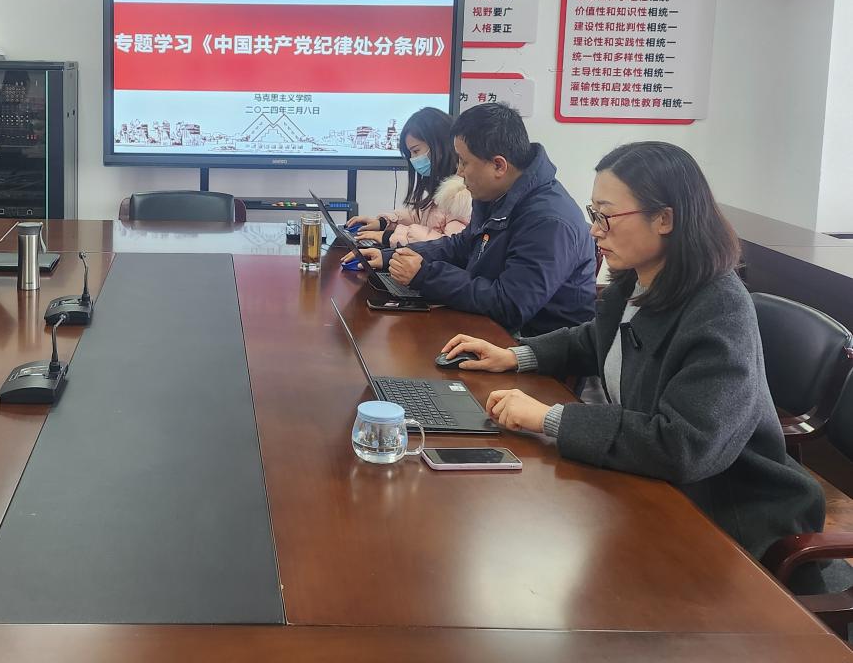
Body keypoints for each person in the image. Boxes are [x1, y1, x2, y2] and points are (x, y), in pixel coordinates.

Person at [439, 141, 839, 587]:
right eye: (594, 214)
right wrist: (516, 355)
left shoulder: (719, 308)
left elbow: (684, 447)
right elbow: (597, 339)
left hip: (729, 516)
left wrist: (551, 418)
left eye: (607, 217)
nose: (595, 231)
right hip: (655, 485)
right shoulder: (639, 278)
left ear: (664, 218)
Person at [359, 103, 595, 336]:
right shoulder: (496, 194)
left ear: (498, 165)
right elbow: (462, 245)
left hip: (532, 345)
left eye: (464, 162)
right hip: (489, 328)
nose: (459, 172)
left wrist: (425, 276)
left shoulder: (548, 221)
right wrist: (392, 257)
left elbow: (510, 305)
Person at [345, 107, 472, 247]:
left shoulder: (461, 195)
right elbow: (422, 217)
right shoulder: (443, 185)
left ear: (440, 145)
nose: (413, 159)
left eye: (416, 151)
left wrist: (389, 237)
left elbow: (449, 246)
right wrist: (383, 223)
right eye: (410, 153)